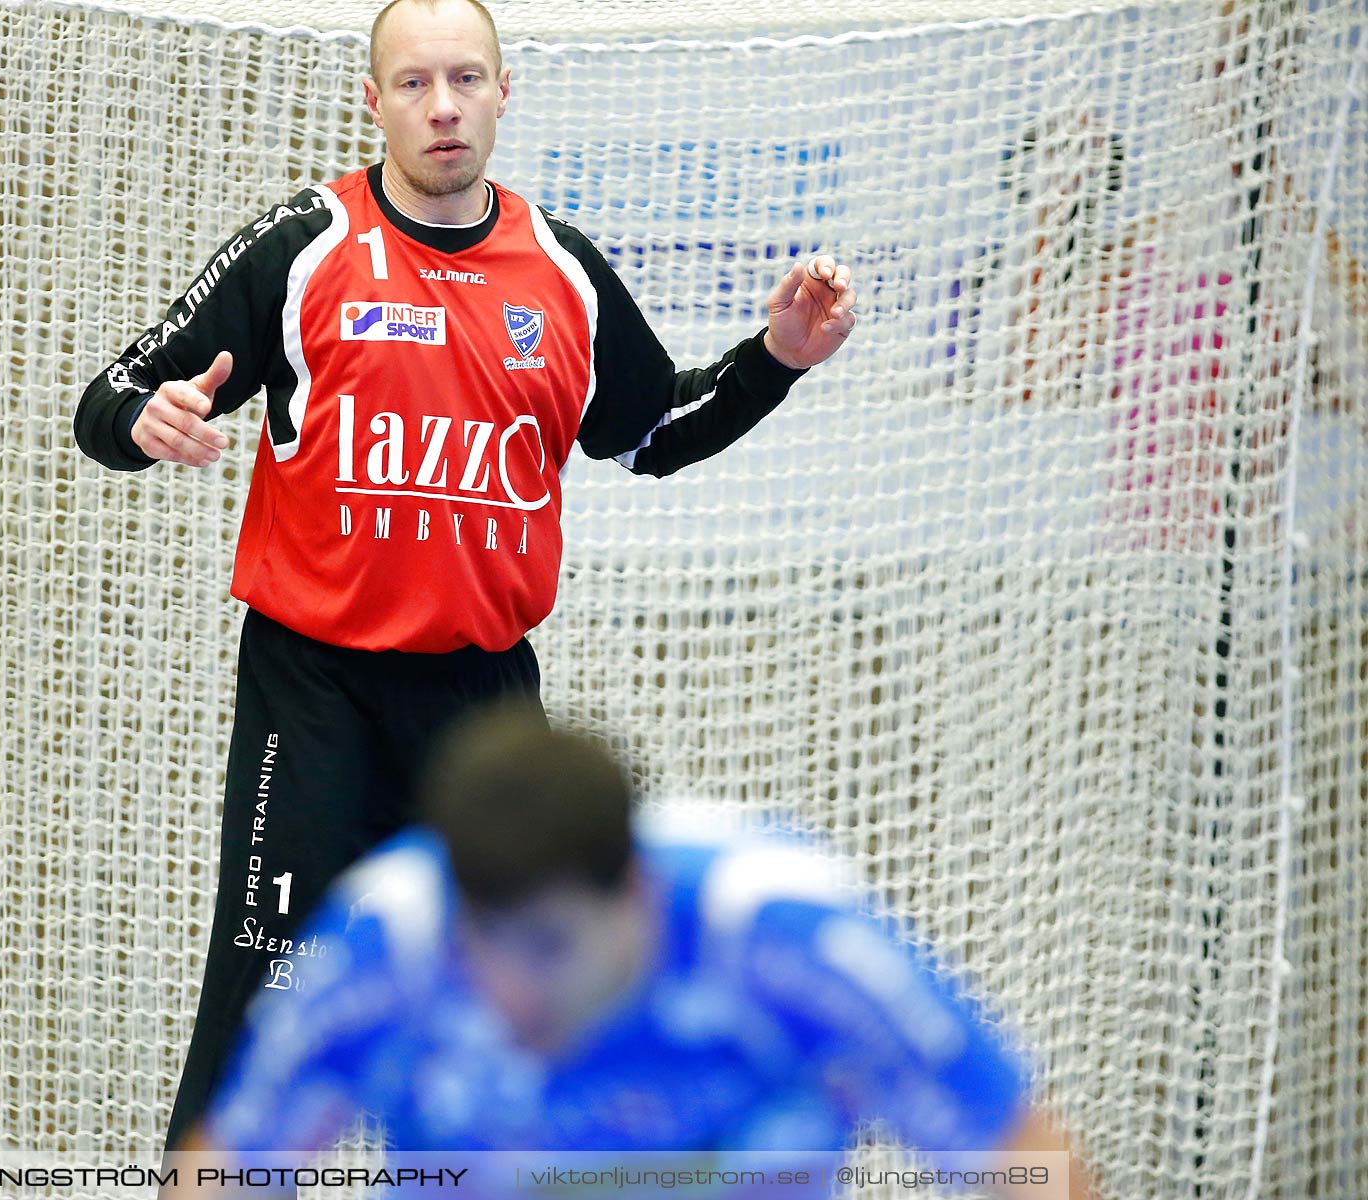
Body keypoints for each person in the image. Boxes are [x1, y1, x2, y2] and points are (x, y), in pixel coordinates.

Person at [73, 0, 858, 1149]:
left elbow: (650, 433)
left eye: (465, 80)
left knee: (511, 1006)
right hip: (315, 695)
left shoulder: (561, 273)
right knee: (266, 1003)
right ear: (373, 99)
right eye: (413, 83)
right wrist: (145, 418)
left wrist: (775, 360)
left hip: (484, 706)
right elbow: (112, 393)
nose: (442, 107)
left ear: (503, 91)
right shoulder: (304, 246)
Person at [174, 708, 1097, 1200]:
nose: (508, 993)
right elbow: (229, 1172)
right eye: (480, 947)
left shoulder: (784, 942)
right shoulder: (388, 946)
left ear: (638, 895)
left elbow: (1021, 1156)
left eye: (547, 945)